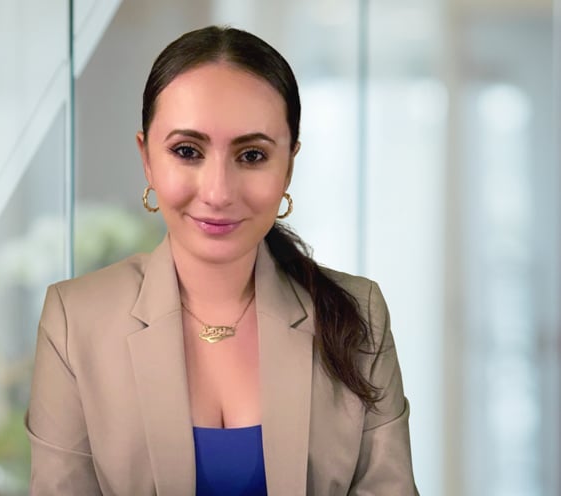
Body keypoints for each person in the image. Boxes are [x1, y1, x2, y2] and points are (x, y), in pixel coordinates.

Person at [25, 25, 418, 496]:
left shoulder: (360, 314)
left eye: (251, 156)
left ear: (289, 166)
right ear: (147, 158)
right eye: (187, 151)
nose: (218, 193)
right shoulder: (75, 321)